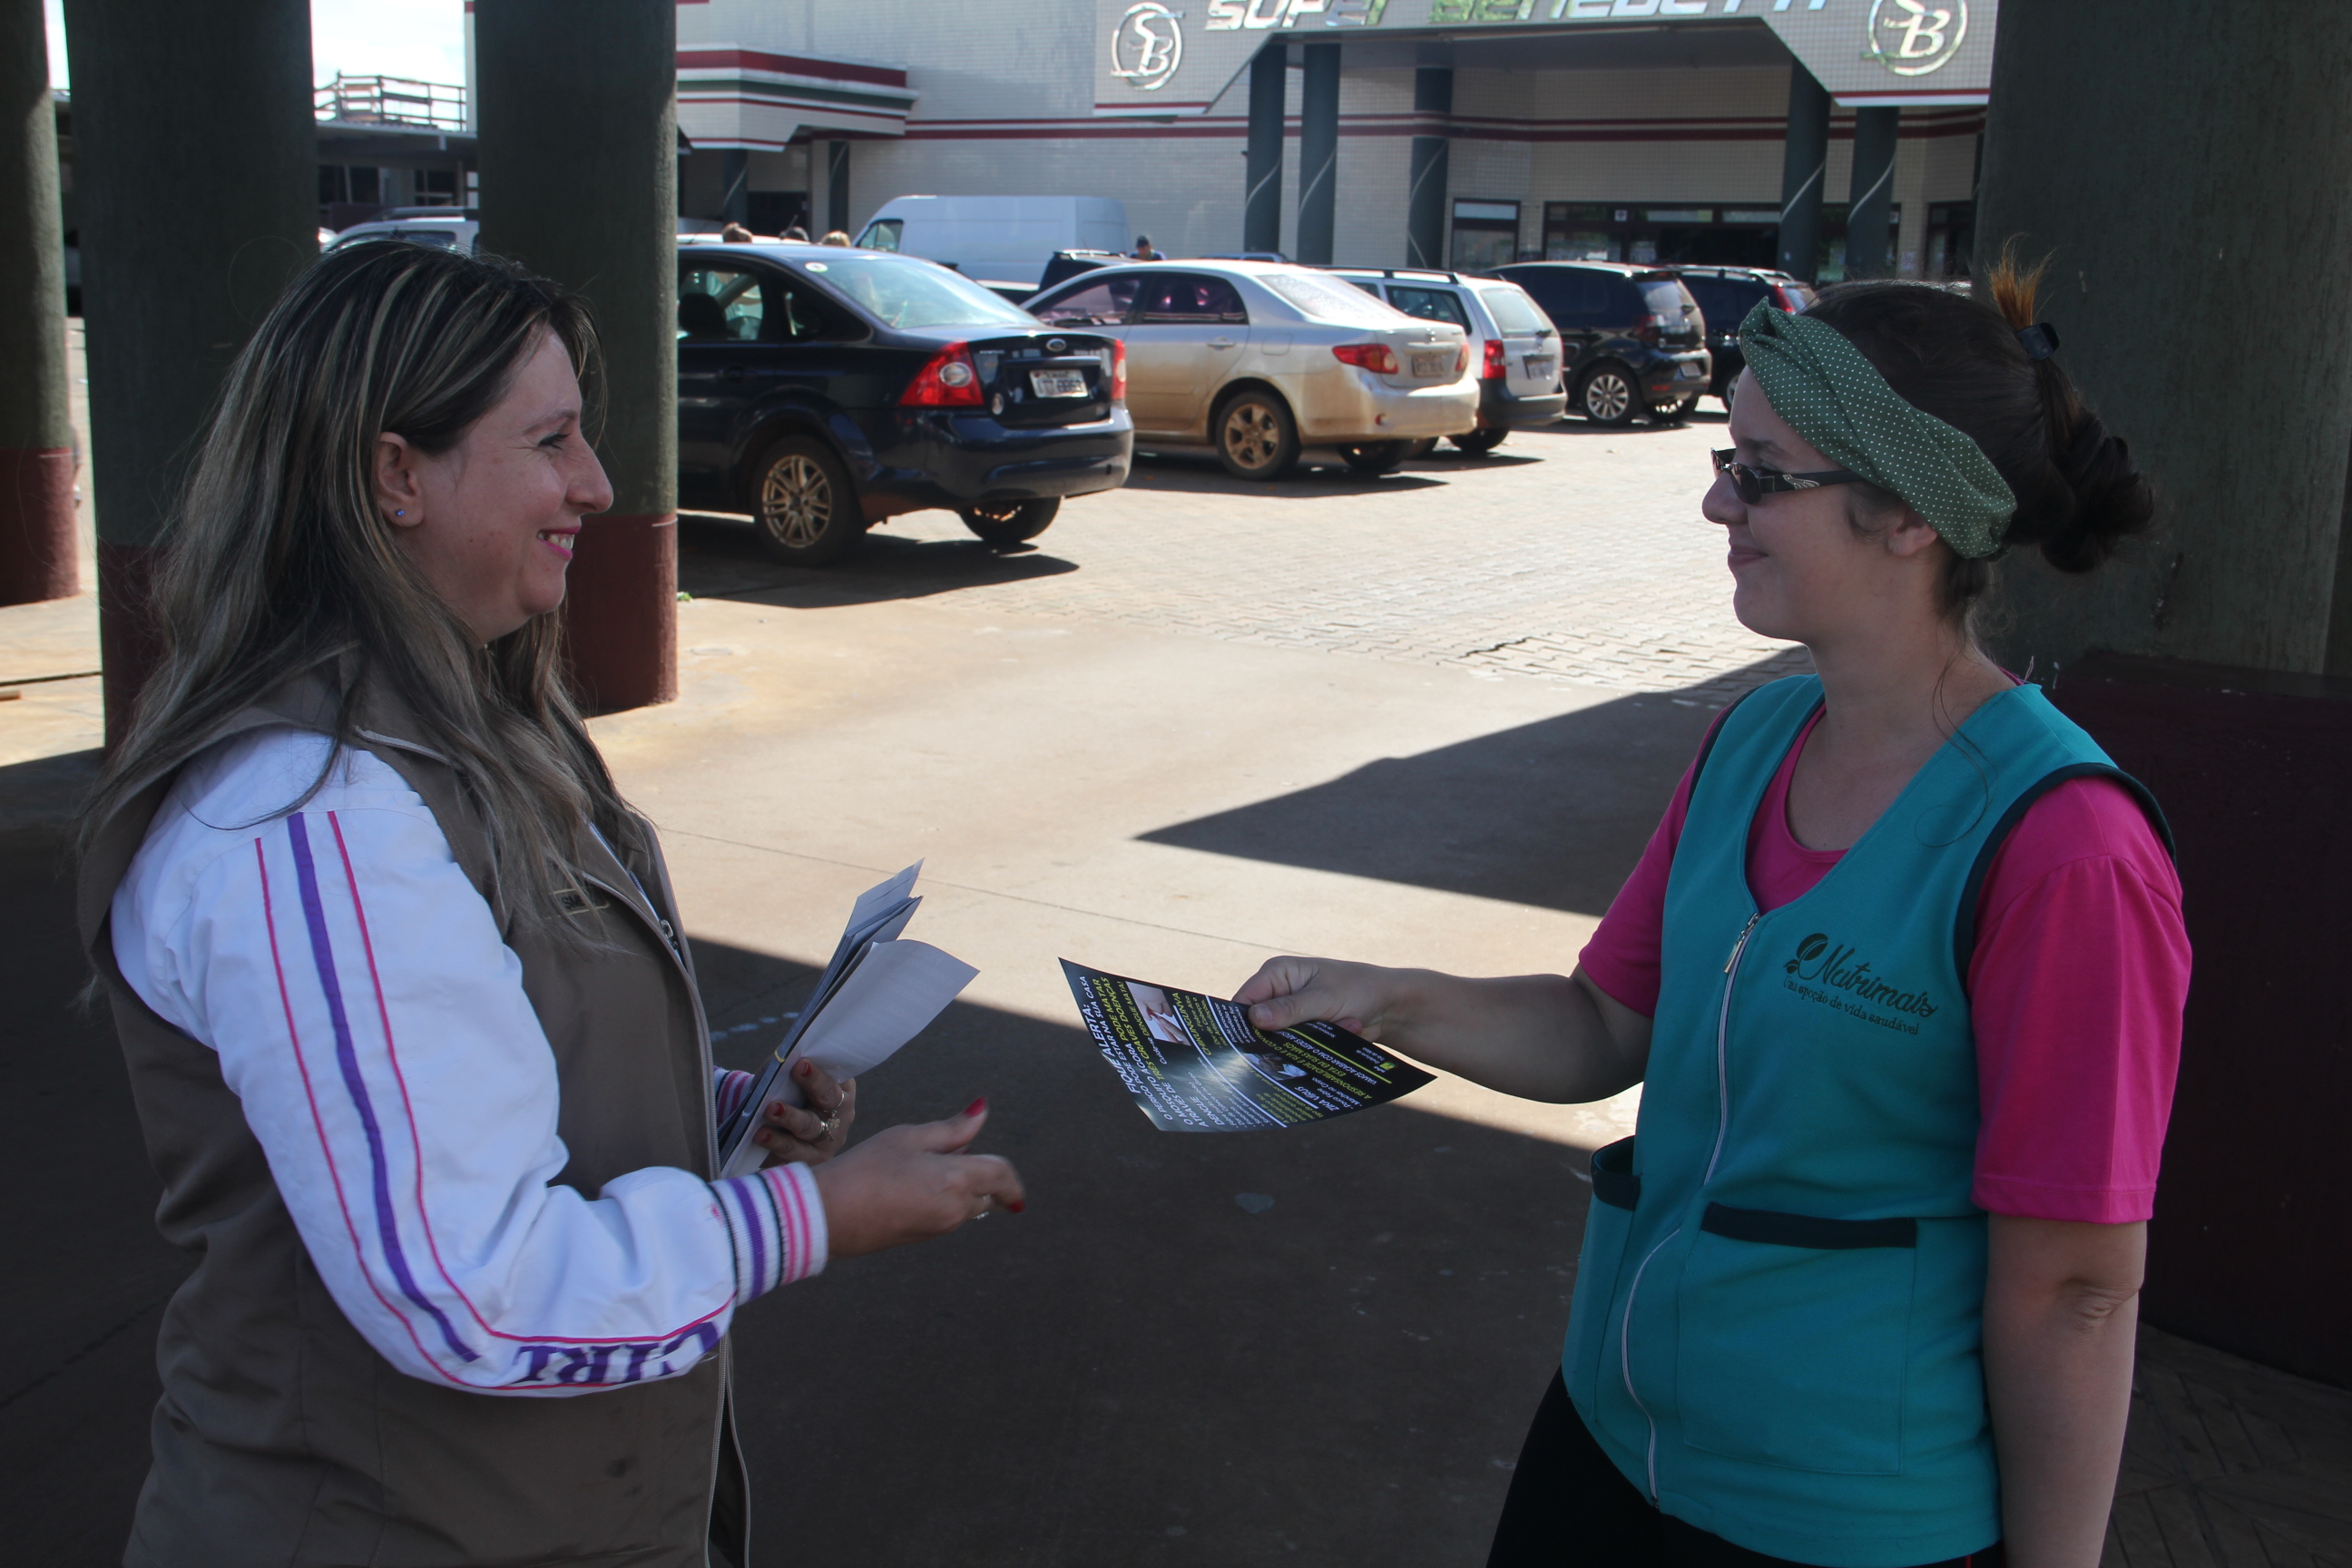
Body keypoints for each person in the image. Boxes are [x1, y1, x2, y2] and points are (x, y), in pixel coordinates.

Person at [77, 240, 1025, 1567]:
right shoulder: (309, 820)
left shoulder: (462, 719)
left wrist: (708, 1107)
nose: (595, 482)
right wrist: (812, 1217)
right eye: (551, 440)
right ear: (393, 475)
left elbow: (465, 1061)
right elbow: (469, 1293)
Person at [1237, 260, 2186, 1568]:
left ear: (1908, 514)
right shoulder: (1755, 738)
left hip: (1842, 1518)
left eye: (1762, 475)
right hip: (1613, 1444)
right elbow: (1602, 1028)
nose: (1716, 501)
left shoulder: (2066, 851)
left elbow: (2076, 1288)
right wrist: (1383, 1000)